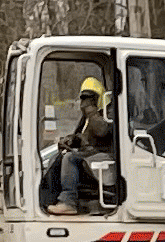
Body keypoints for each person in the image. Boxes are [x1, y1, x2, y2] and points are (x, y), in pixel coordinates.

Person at [45, 77, 116, 214]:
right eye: (83, 98)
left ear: (98, 98)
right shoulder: (87, 117)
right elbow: (82, 135)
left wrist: (92, 112)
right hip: (89, 154)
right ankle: (51, 199)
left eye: (89, 98)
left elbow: (102, 131)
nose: (84, 103)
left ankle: (68, 201)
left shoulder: (108, 113)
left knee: (70, 158)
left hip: (104, 154)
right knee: (56, 158)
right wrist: (70, 140)